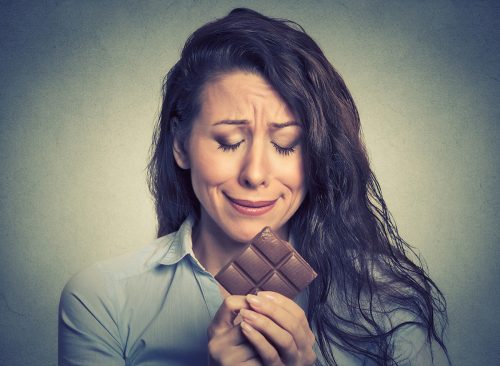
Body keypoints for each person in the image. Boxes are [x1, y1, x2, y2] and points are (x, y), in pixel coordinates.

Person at [58, 8, 450, 366]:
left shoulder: (387, 300)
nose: (256, 173)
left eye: (285, 145)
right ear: (180, 144)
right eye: (229, 141)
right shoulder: (103, 300)